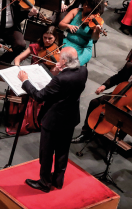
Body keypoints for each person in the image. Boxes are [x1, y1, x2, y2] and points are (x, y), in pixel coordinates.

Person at [18, 47, 87, 192]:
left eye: (60, 57)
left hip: (54, 120)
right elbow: (66, 89)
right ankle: (58, 180)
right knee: (62, 151)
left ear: (64, 61)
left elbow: (39, 96)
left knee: (47, 152)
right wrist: (60, 70)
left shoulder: (61, 79)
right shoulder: (83, 71)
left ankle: (44, 183)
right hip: (70, 118)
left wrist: (25, 81)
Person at [71, 48, 132, 144]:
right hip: (119, 96)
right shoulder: (129, 66)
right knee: (94, 102)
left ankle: (114, 144)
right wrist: (104, 86)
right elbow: (116, 78)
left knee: (127, 119)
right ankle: (86, 133)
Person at [9, 26, 60, 135]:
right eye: (45, 37)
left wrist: (56, 68)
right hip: (30, 75)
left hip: (44, 80)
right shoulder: (35, 47)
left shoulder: (57, 52)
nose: (47, 41)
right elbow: (17, 59)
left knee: (32, 95)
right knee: (16, 89)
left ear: (55, 38)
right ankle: (15, 118)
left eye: (50, 38)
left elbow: (53, 76)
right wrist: (18, 68)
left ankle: (26, 122)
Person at [58, 0, 104, 66]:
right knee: (58, 59)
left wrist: (97, 31)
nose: (85, 7)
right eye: (85, 4)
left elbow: (94, 38)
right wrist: (68, 26)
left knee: (71, 65)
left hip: (83, 48)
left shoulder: (97, 20)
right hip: (67, 42)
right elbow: (61, 25)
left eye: (89, 6)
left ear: (94, 7)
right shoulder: (75, 11)